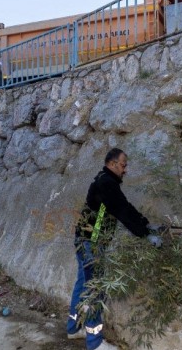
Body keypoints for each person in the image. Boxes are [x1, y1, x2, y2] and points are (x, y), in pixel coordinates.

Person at [66, 148, 162, 350]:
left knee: (84, 283)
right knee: (95, 289)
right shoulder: (106, 184)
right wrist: (145, 234)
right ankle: (94, 343)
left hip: (84, 239)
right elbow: (122, 212)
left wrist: (145, 224)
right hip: (92, 243)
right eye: (123, 165)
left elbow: (123, 206)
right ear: (112, 164)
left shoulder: (105, 181)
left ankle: (74, 328)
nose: (125, 170)